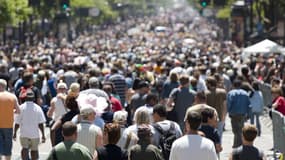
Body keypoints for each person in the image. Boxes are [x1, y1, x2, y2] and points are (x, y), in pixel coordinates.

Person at [13, 89, 46, 160]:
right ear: (34, 98)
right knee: (34, 150)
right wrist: (43, 135)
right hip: (35, 135)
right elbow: (40, 124)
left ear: (25, 98)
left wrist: (15, 133)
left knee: (24, 149)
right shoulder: (38, 108)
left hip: (24, 134)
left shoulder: (21, 107)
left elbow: (17, 123)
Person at [227, 79, 251, 148]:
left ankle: (237, 144)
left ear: (233, 85)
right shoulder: (245, 93)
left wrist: (228, 111)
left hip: (234, 114)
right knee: (240, 129)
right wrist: (248, 114)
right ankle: (240, 143)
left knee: (235, 129)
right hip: (242, 113)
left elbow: (229, 103)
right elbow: (249, 104)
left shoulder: (231, 93)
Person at [0, 79, 20, 160]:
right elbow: (18, 111)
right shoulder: (12, 96)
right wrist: (11, 111)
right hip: (8, 125)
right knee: (8, 144)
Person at [205, 76, 227, 142]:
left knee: (209, 135)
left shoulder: (205, 93)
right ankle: (218, 149)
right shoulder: (222, 92)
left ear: (209, 84)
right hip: (220, 116)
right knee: (219, 135)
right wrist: (224, 116)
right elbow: (224, 106)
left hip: (208, 118)